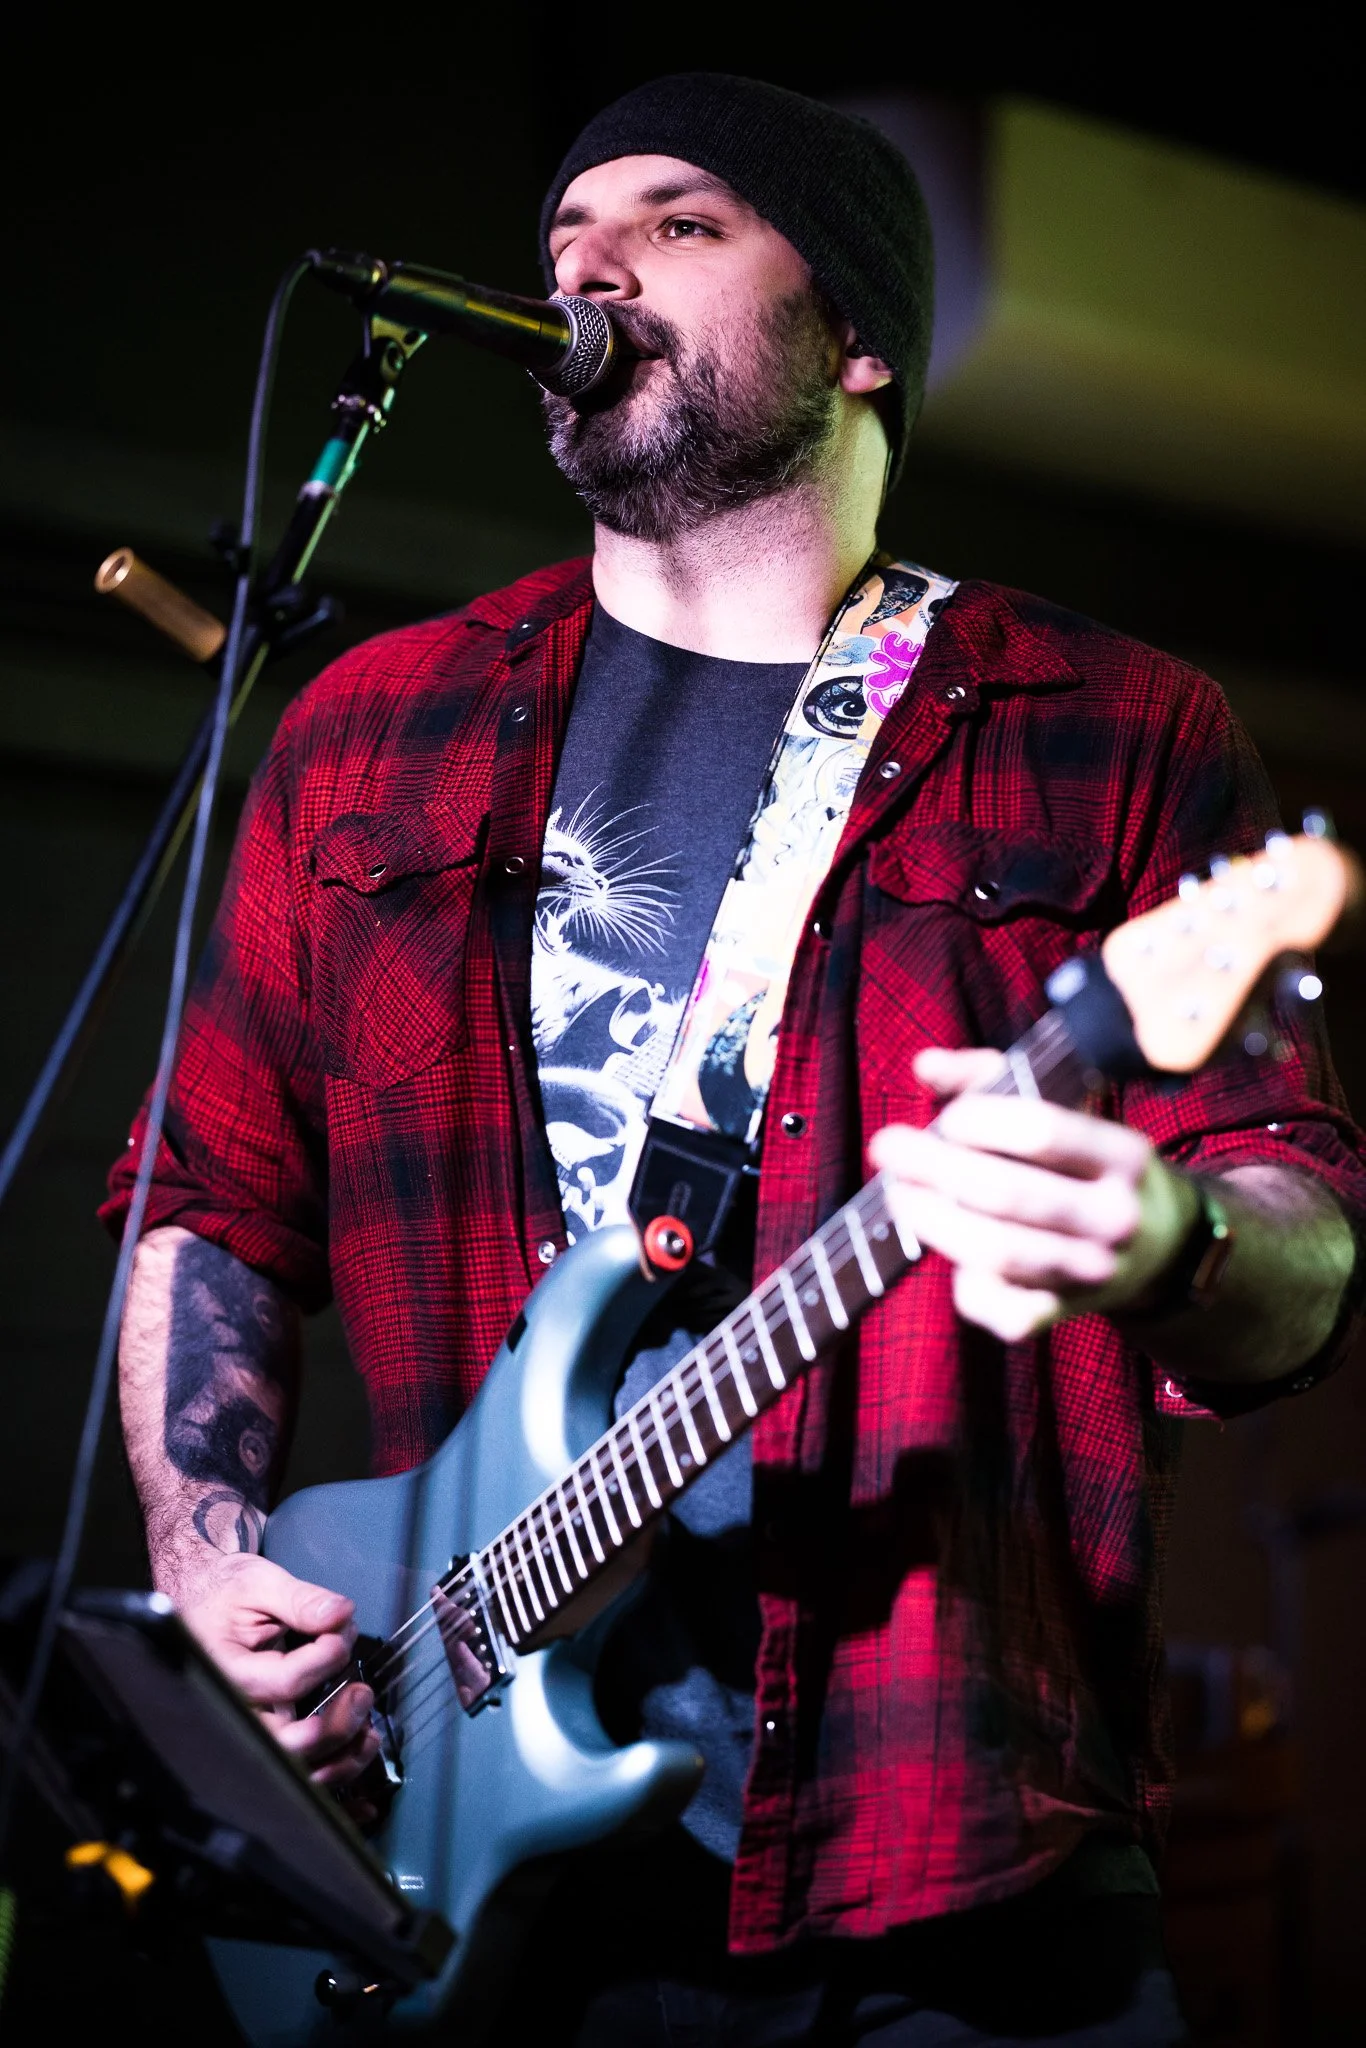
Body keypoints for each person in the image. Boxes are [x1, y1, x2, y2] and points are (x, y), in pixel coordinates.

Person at [106, 73, 1364, 2045]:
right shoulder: (367, 736)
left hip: (953, 1850)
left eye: (677, 225)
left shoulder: (1109, 727)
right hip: (451, 1837)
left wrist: (1172, 1242)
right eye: (562, 239)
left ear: (856, 335)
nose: (583, 265)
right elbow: (211, 1193)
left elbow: (1299, 1216)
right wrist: (199, 1557)